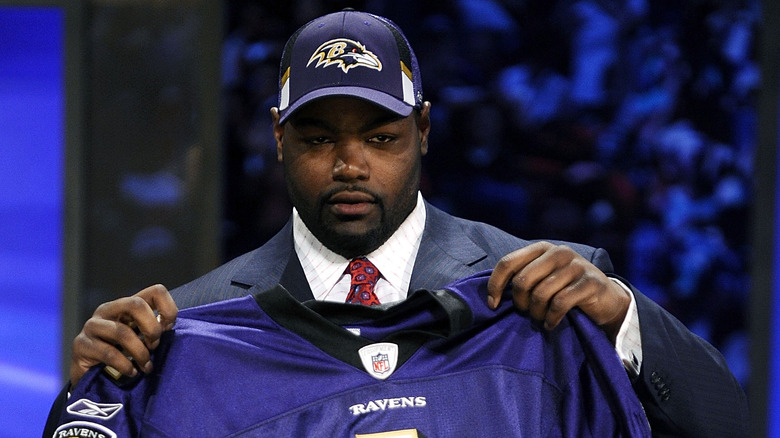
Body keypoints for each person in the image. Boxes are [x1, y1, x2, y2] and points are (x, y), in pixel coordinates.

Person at [44, 8, 748, 437]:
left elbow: (727, 424)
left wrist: (625, 319)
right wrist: (85, 401)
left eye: (380, 138)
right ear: (278, 137)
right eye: (320, 138)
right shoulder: (188, 328)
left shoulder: (549, 294)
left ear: (424, 130)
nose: (350, 165)